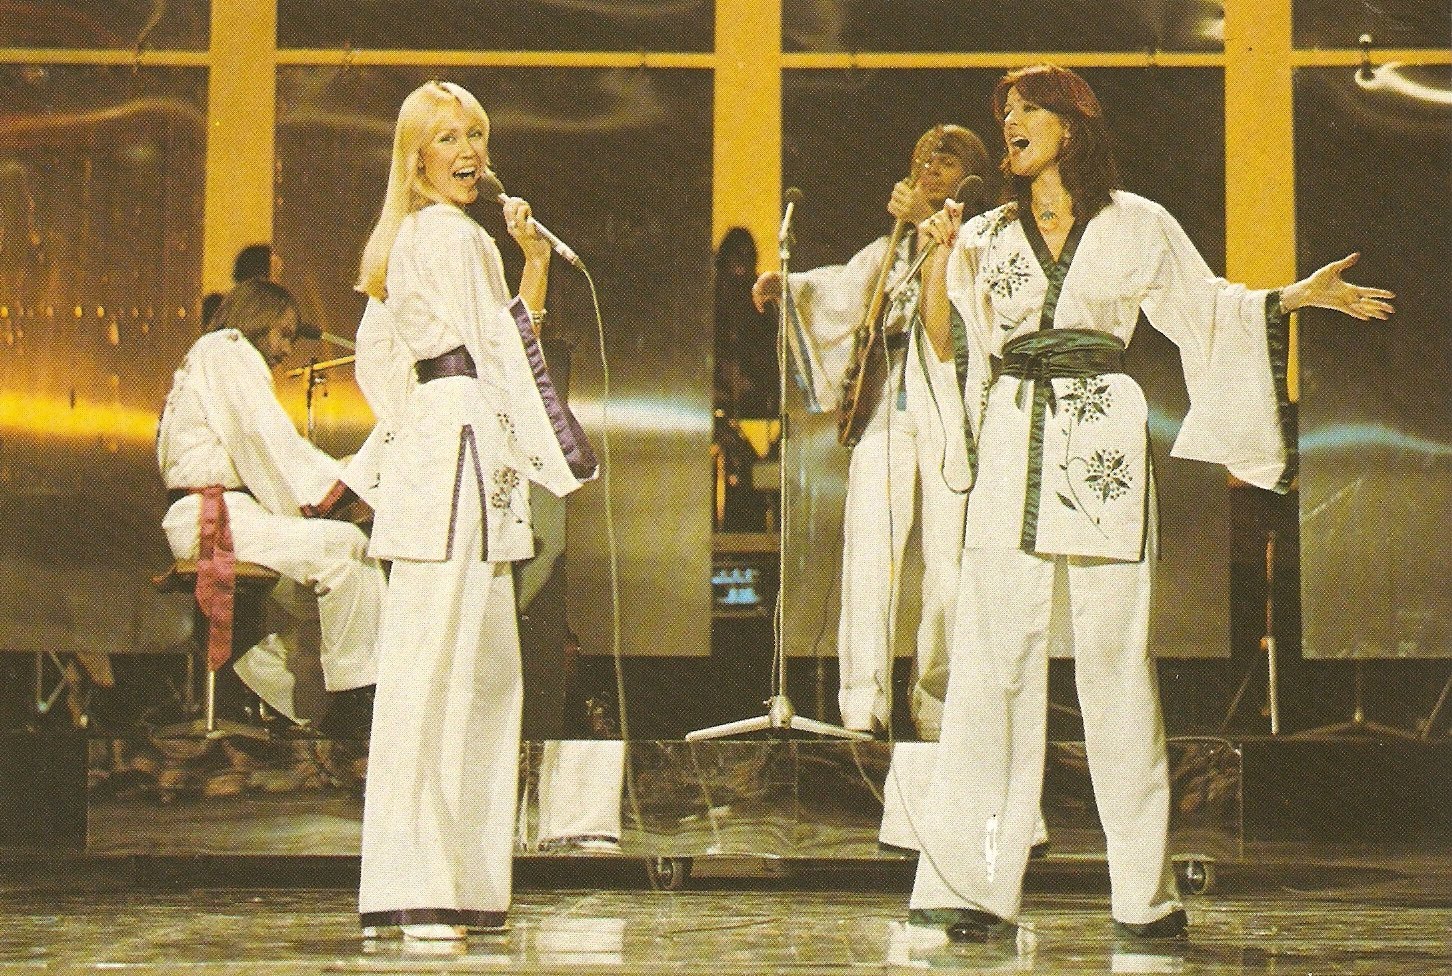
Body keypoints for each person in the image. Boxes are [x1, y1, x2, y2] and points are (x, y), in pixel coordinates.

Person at [907, 64, 1393, 944]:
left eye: (1027, 108)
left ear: (1070, 125)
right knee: (990, 658)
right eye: (1006, 110)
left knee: (1114, 661)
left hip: (1101, 437)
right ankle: (970, 887)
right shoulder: (983, 233)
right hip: (1012, 435)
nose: (1010, 121)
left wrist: (1294, 297)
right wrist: (938, 255)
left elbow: (1206, 308)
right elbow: (944, 340)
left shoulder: (1137, 222)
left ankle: (1143, 895)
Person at [348, 80, 596, 944]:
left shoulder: (419, 238)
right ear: (417, 154)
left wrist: (531, 264)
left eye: (477, 134)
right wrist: (558, 450)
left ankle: (448, 884)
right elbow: (497, 352)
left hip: (453, 453)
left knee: (474, 673)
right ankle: (429, 888)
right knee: (450, 674)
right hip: (457, 461)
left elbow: (385, 360)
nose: (470, 150)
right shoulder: (447, 236)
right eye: (449, 136)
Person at [752, 124, 992, 738]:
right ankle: (863, 702)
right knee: (869, 553)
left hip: (953, 410)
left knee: (951, 564)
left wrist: (931, 226)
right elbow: (844, 289)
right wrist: (792, 287)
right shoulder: (893, 247)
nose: (929, 166)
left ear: (971, 178)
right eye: (922, 157)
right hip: (890, 404)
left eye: (946, 160)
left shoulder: (984, 240)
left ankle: (939, 703)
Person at [157, 278, 384, 731]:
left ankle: (283, 685)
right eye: (283, 333)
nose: (286, 350)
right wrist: (342, 487)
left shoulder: (211, 357)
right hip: (216, 517)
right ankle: (353, 703)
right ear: (257, 318)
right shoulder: (228, 349)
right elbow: (264, 439)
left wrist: (343, 479)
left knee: (329, 588)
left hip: (220, 512)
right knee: (347, 547)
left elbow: (263, 450)